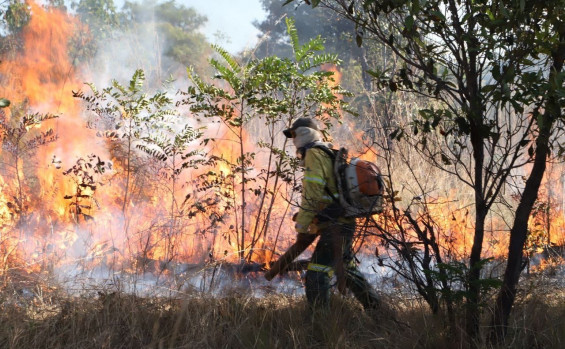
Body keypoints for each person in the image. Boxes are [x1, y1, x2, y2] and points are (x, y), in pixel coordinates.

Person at [282, 117, 380, 310]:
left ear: (304, 134)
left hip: (335, 225)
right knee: (347, 269)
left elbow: (313, 192)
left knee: (317, 273)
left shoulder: (314, 154)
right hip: (342, 221)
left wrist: (302, 225)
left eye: (294, 135)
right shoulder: (326, 152)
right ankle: (378, 311)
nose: (293, 141)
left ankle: (320, 324)